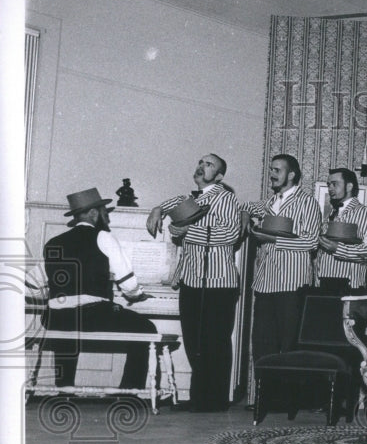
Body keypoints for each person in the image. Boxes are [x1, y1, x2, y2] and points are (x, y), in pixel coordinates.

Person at [146, 154, 241, 412]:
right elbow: (174, 202)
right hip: (192, 280)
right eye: (200, 162)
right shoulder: (190, 199)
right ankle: (200, 398)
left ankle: (216, 400)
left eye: (209, 165)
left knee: (215, 342)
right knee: (193, 341)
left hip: (218, 282)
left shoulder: (225, 198)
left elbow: (231, 234)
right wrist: (158, 209)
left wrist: (189, 231)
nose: (201, 166)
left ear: (220, 176)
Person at [42, 187, 157, 388]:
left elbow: (34, 284)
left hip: (55, 317)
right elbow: (128, 283)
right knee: (146, 328)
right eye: (105, 212)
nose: (107, 217)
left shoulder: (54, 242)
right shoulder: (103, 236)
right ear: (94, 213)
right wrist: (137, 295)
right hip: (91, 316)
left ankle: (64, 389)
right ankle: (130, 391)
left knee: (67, 325)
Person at [242, 154, 322, 362]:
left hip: (291, 286)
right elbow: (247, 207)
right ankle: (264, 395)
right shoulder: (270, 202)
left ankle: (285, 395)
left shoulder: (307, 203)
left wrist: (273, 240)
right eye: (271, 169)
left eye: (277, 170)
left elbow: (312, 241)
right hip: (264, 285)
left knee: (289, 349)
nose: (272, 174)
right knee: (261, 347)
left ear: (292, 174)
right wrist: (244, 216)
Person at [316, 167, 367, 296]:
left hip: (350, 286)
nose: (330, 188)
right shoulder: (332, 213)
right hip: (326, 285)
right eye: (329, 185)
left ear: (349, 186)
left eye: (335, 184)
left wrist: (337, 249)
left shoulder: (363, 212)